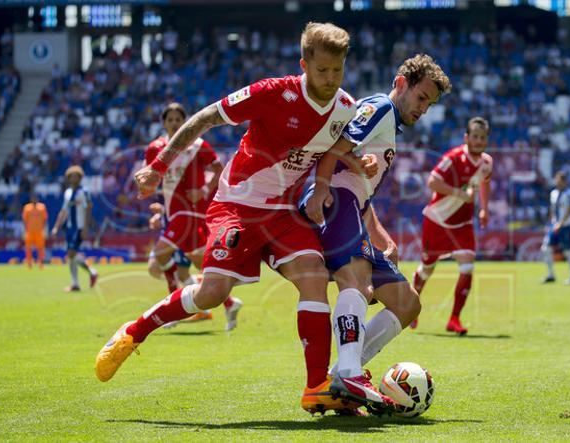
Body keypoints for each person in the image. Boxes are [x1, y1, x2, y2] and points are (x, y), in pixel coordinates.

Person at [95, 22, 361, 415]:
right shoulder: (271, 92)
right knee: (212, 293)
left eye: (337, 70)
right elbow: (204, 118)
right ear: (303, 64)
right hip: (237, 202)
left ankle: (316, 386)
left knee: (314, 275)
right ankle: (134, 333)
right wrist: (158, 166)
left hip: (285, 213)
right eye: (321, 70)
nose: (330, 78)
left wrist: (353, 163)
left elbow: (328, 153)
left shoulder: (346, 108)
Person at [303, 54, 451, 408]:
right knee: (355, 281)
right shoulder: (381, 108)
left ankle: (340, 375)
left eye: (429, 104)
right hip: (335, 201)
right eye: (421, 98)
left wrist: (383, 238)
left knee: (407, 304)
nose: (423, 109)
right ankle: (350, 375)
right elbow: (332, 152)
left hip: (352, 206)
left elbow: (363, 194)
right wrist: (322, 189)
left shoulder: (389, 124)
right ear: (402, 83)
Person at [144, 103, 241, 330]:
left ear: (185, 121)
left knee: (159, 255)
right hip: (173, 212)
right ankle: (229, 303)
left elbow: (219, 170)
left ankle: (173, 312)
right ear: (164, 123)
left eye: (179, 119)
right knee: (195, 264)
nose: (175, 123)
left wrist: (205, 190)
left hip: (189, 212)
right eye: (170, 119)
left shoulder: (198, 145)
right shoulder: (155, 148)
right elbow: (152, 182)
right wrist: (158, 207)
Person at [411, 117, 494, 335]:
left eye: (482, 137)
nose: (478, 141)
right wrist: (460, 194)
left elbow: (485, 183)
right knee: (427, 269)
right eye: (474, 136)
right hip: (437, 220)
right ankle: (411, 309)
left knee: (467, 265)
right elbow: (432, 182)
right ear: (466, 137)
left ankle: (454, 319)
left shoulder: (487, 162)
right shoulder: (453, 158)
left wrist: (484, 208)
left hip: (463, 223)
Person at [51, 166, 99, 292]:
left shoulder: (85, 191)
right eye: (71, 176)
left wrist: (85, 228)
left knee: (71, 253)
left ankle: (83, 278)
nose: (74, 178)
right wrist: (56, 227)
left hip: (79, 227)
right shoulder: (67, 193)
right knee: (71, 255)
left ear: (80, 177)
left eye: (76, 176)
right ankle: (79, 281)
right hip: (69, 227)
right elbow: (63, 211)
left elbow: (88, 208)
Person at [541, 171, 570, 284]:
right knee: (545, 248)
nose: (557, 182)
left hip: (565, 226)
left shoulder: (569, 193)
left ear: (564, 181)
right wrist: (550, 223)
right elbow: (552, 210)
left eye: (559, 180)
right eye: (556, 179)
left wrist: (561, 223)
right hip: (554, 225)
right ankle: (551, 274)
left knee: (567, 251)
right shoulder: (553, 193)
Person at [22, 194, 48, 269]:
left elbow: (45, 219)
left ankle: (41, 263)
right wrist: (25, 231)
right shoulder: (27, 207)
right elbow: (24, 220)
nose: (34, 200)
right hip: (29, 231)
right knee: (28, 248)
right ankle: (29, 263)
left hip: (39, 231)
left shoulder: (42, 207)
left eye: (35, 198)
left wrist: (45, 230)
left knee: (40, 248)